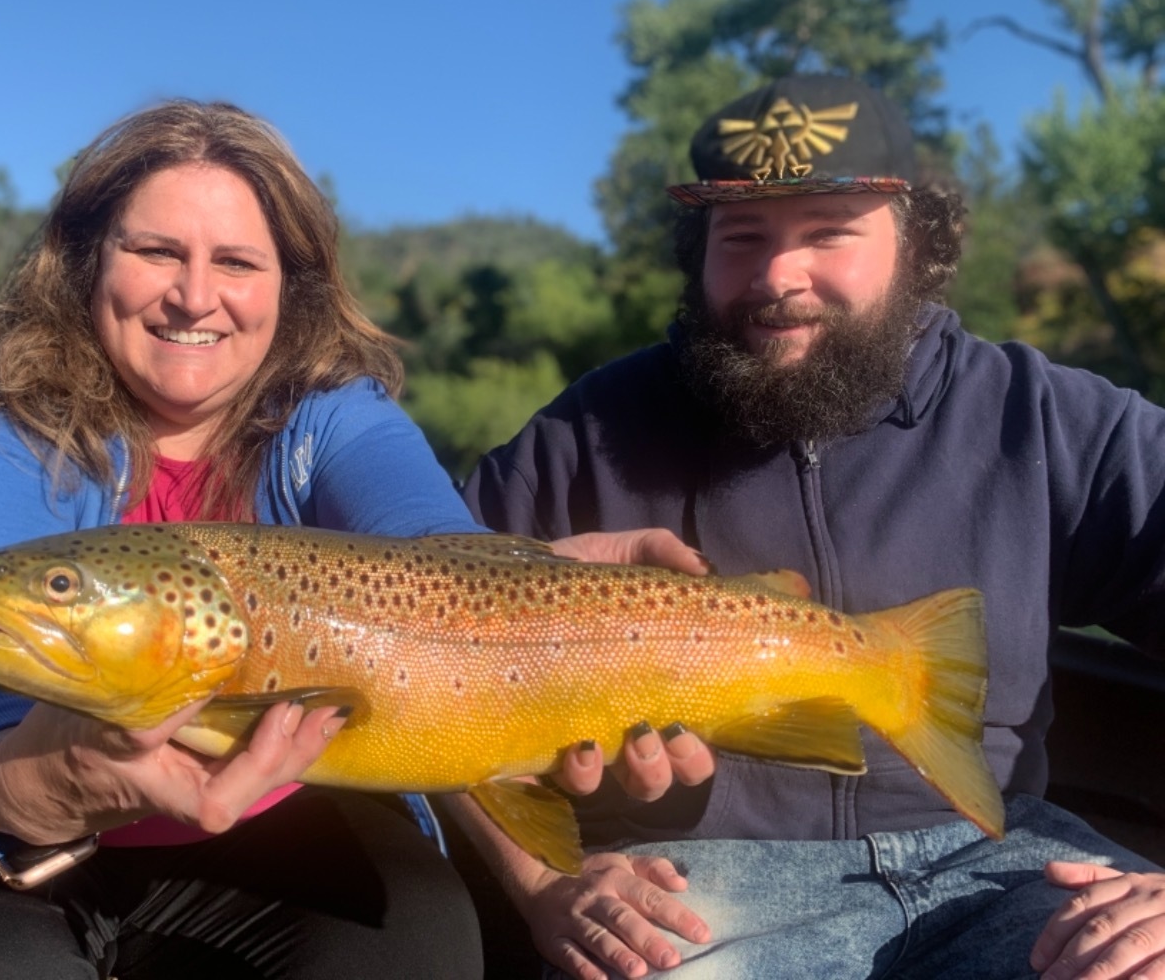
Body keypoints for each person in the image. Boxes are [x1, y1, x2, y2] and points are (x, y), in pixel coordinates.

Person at [454, 74, 1165, 980]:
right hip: (695, 891)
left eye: (828, 232)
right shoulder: (578, 437)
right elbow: (415, 677)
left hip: (1010, 865)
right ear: (696, 253)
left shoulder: (1051, 418)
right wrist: (543, 879)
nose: (778, 277)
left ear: (916, 242)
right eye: (742, 236)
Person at [0, 99, 505, 979]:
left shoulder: (337, 414)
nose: (194, 296)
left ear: (289, 289)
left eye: (236, 262)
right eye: (156, 251)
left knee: (420, 942)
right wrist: (44, 780)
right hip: (1, 839)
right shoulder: (0, 425)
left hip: (273, 828)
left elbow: (433, 546)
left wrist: (543, 604)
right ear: (87, 261)